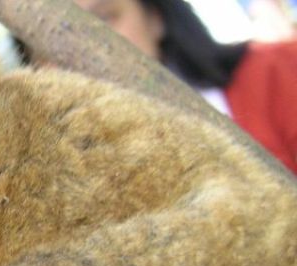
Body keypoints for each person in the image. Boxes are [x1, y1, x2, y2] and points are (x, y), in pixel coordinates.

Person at [75, 0, 297, 266]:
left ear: (156, 19)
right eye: (45, 44)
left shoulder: (277, 73)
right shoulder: (83, 195)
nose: (80, 50)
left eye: (105, 19)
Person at [75, 0, 297, 175]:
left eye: (104, 17)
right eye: (64, 31)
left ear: (155, 17)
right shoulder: (89, 166)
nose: (84, 46)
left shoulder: (280, 68)